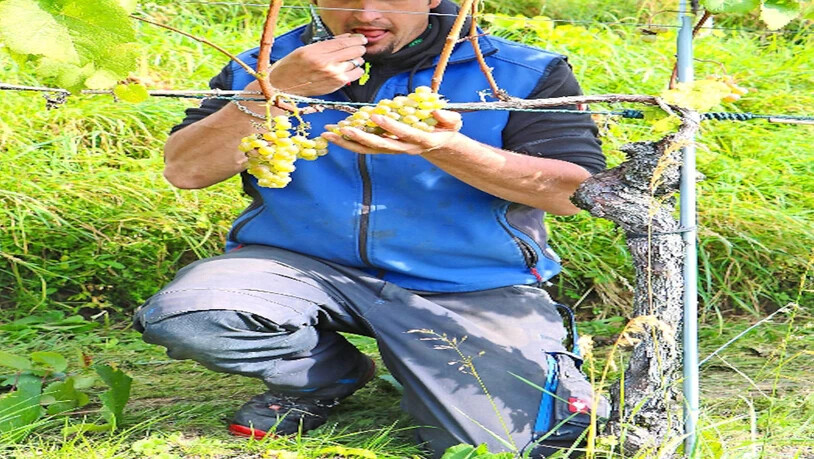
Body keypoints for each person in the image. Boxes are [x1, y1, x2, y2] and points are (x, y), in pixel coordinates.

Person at [133, 0, 609, 456]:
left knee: (500, 446)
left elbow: (571, 193)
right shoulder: (266, 65)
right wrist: (271, 92)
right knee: (190, 315)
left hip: (466, 285)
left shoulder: (520, 73)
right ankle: (326, 375)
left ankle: (441, 365)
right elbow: (185, 171)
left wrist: (445, 148)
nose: (365, 13)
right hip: (300, 267)